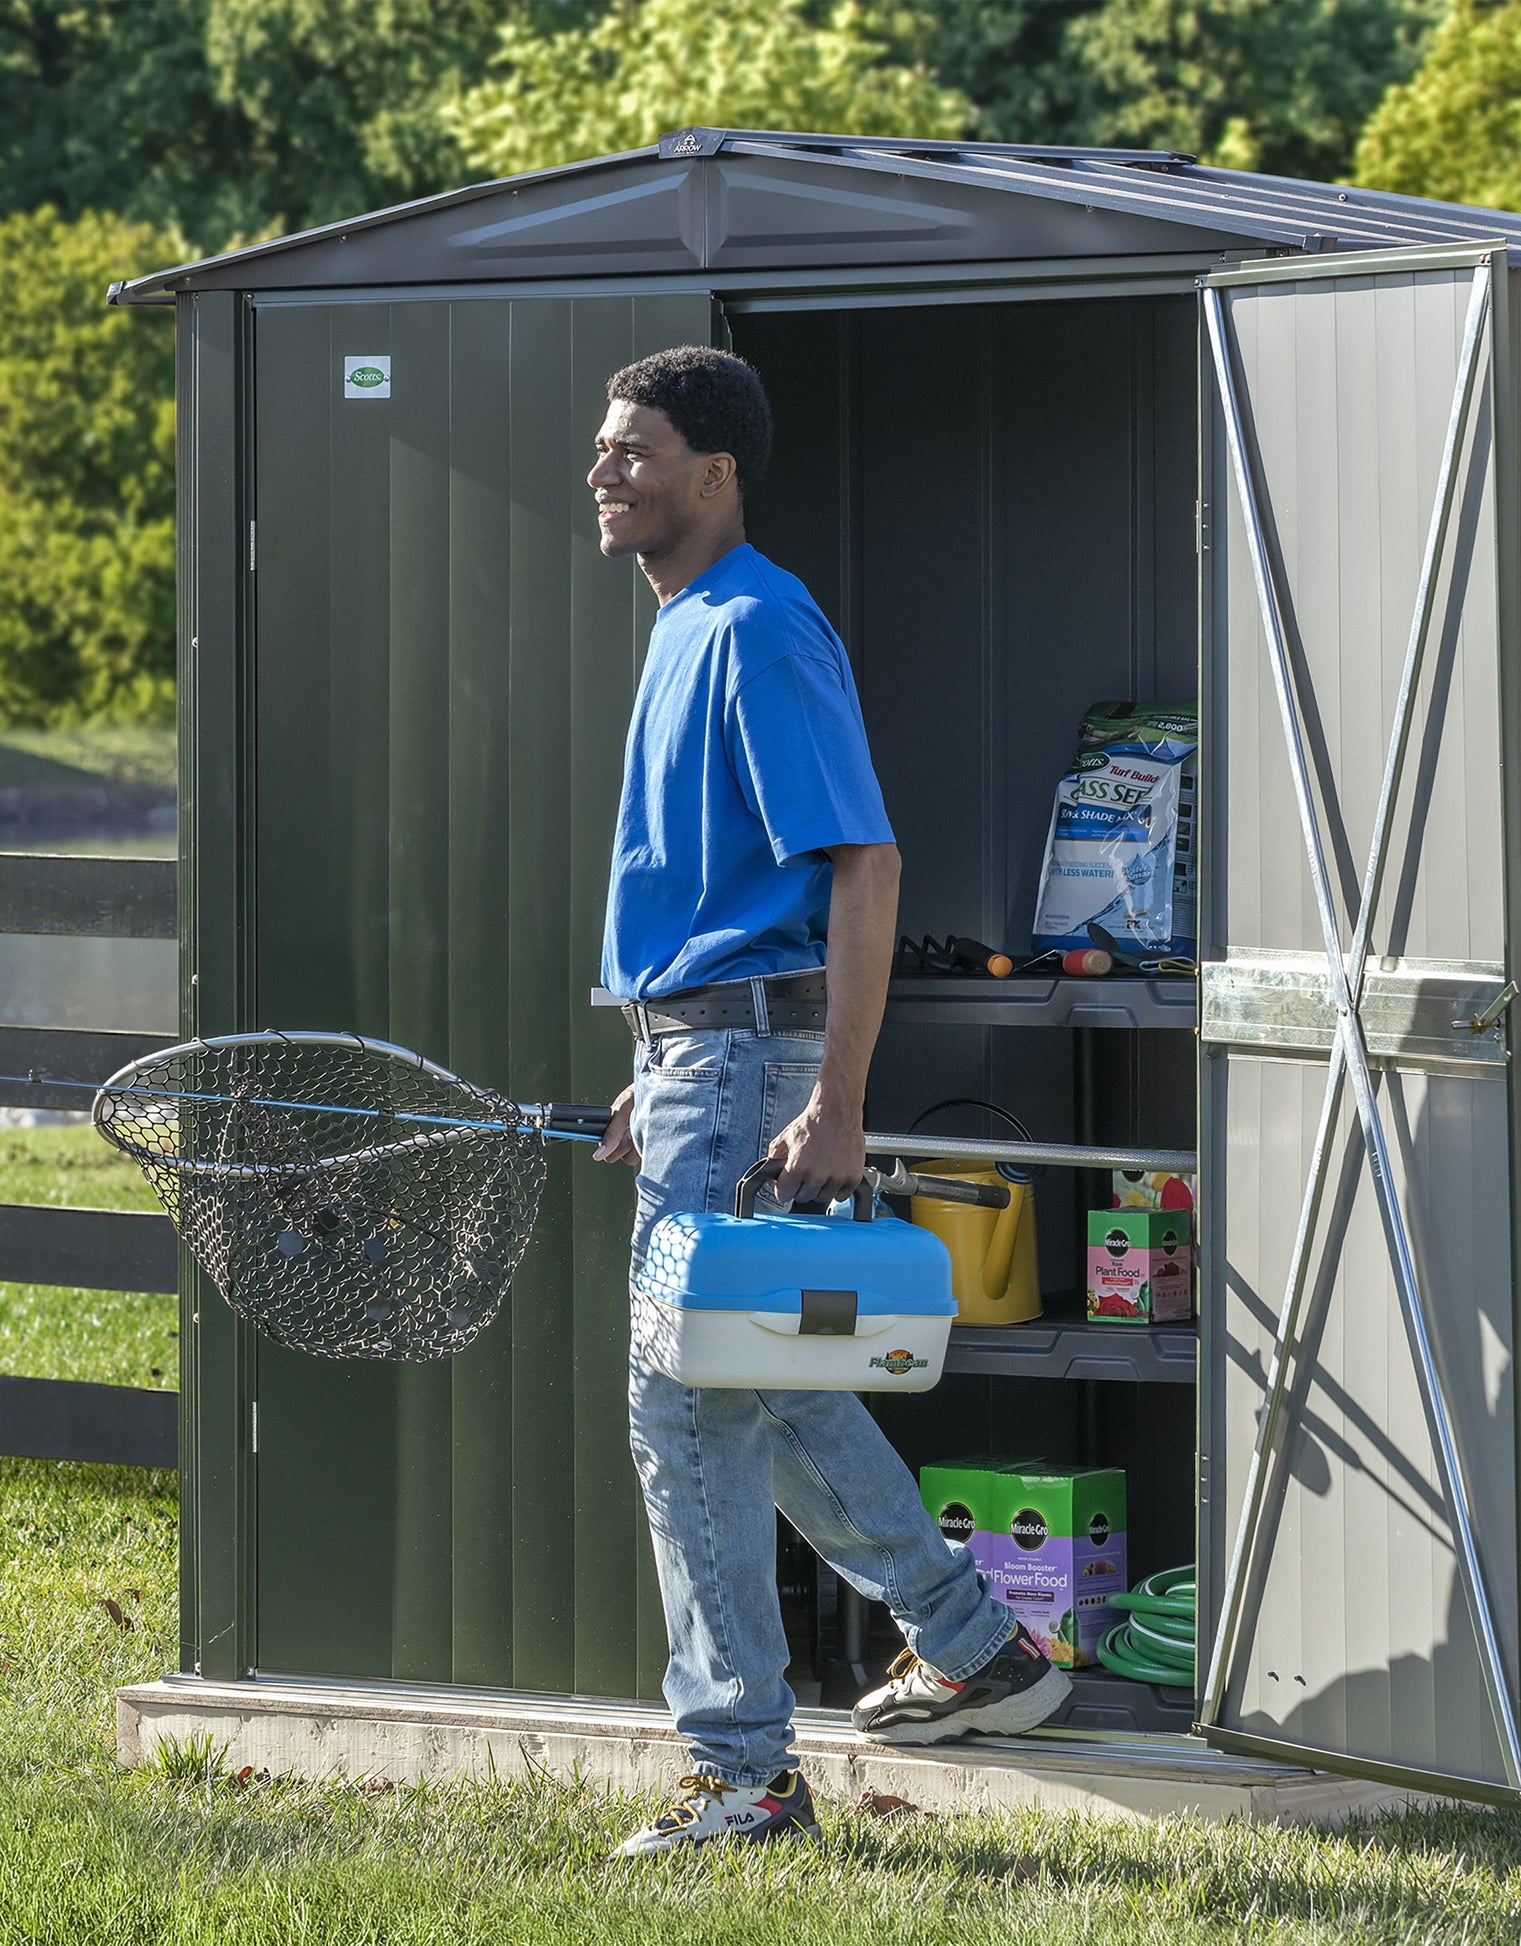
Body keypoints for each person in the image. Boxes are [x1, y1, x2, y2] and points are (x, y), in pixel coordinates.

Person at [586, 346, 1070, 1855]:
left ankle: (742, 1772)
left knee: (682, 1410)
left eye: (632, 449)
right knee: (768, 1386)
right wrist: (658, 1059)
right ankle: (978, 1644)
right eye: (601, 448)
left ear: (714, 469)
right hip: (701, 1060)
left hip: (742, 1066)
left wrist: (835, 1098)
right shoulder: (682, 625)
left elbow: (865, 864)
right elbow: (728, 903)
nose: (602, 471)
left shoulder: (757, 630)